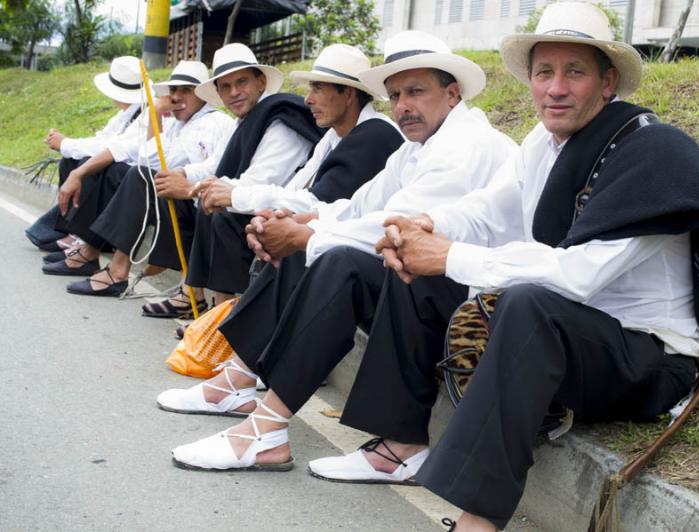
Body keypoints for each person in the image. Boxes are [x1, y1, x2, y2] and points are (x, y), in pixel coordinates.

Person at [359, 4, 699, 530]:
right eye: (544, 72)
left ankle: (476, 520)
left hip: (646, 360)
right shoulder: (544, 143)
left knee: (528, 302)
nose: (555, 88)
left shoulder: (653, 155)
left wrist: (451, 255)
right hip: (575, 336)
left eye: (574, 72)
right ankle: (399, 441)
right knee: (432, 280)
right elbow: (492, 209)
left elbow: (581, 275)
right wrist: (426, 224)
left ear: (607, 83)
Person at [159, 31, 517, 474]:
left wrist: (307, 233)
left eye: (416, 91)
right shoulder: (412, 148)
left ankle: (274, 427)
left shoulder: (468, 146)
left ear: (452, 92)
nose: (403, 105)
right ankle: (246, 382)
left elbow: (400, 226)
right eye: (396, 95)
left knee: (339, 258)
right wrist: (291, 223)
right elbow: (354, 207)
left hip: (477, 304)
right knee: (313, 246)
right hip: (427, 285)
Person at [140, 43, 322, 315]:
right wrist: (185, 176)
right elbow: (215, 165)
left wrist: (193, 189)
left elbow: (261, 180)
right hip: (249, 199)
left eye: (241, 82)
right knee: (188, 195)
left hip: (278, 209)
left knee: (217, 210)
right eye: (225, 87)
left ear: (261, 82)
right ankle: (199, 300)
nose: (234, 92)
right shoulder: (244, 122)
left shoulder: (281, 122)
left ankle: (225, 314)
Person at [57, 60, 233, 297]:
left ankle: (116, 270)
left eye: (186, 90)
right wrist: (157, 114)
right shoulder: (177, 122)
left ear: (201, 95)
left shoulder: (212, 122)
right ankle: (98, 256)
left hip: (197, 199)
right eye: (173, 90)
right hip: (174, 193)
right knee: (132, 173)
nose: (177, 96)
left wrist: (156, 112)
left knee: (139, 176)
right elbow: (145, 155)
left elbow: (160, 163)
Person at [27, 55, 145, 253]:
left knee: (89, 164)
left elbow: (112, 148)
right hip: (120, 166)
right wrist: (66, 144)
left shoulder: (146, 113)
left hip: (130, 174)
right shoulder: (125, 114)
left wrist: (66, 143)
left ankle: (83, 236)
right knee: (70, 161)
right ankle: (70, 229)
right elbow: (102, 139)